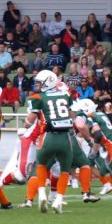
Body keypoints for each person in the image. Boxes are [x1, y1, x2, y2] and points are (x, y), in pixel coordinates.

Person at [25, 70, 78, 213]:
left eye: (39, 82)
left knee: (41, 165)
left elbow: (30, 121)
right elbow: (73, 115)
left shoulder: (37, 97)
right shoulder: (66, 94)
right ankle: (58, 200)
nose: (37, 84)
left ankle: (42, 194)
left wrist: (26, 124)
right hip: (65, 138)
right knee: (65, 170)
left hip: (48, 136)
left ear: (47, 82)